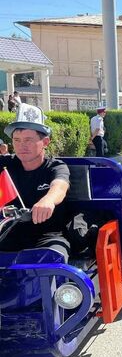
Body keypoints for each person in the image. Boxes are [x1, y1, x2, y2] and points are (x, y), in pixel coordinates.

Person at [0, 104, 71, 260]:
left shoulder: (55, 166)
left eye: (28, 140)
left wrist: (48, 200)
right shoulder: (6, 165)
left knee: (54, 259)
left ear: (45, 142)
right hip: (9, 234)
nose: (21, 145)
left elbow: (59, 187)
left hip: (47, 237)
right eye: (16, 140)